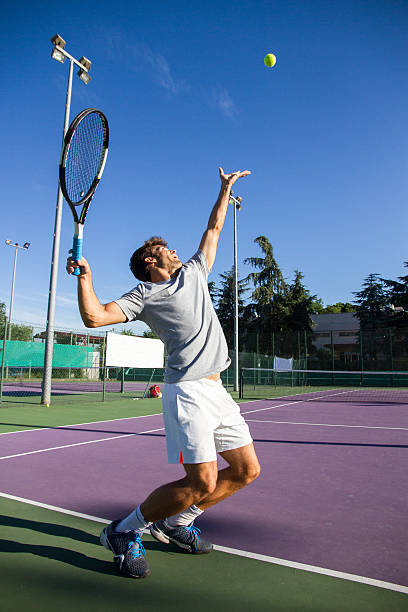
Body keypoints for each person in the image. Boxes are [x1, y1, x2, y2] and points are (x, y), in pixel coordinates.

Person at [66, 167, 261, 579]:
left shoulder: (194, 272)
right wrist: (86, 277)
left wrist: (225, 191)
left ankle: (177, 523)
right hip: (187, 392)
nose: (175, 251)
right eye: (166, 249)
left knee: (246, 471)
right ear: (151, 259)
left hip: (217, 389)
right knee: (203, 482)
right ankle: (122, 531)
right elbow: (94, 317)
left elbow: (213, 228)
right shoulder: (143, 295)